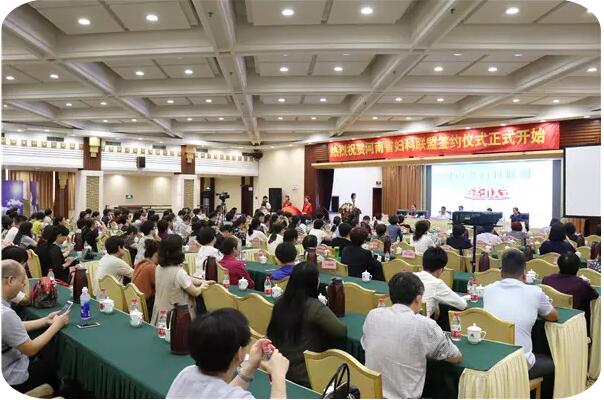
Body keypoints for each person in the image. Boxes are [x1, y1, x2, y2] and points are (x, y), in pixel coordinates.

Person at [362, 272, 462, 398]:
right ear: (418, 299)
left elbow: (365, 345)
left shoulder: (373, 315)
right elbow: (456, 357)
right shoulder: (424, 324)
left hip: (371, 395)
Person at [167, 308, 290, 399]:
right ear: (239, 354)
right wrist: (278, 375)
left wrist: (251, 366)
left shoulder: (186, 374)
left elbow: (223, 393)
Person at [483, 250, 558, 397]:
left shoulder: (488, 290)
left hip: (491, 360)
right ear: (524, 272)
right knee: (553, 363)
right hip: (519, 365)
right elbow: (553, 316)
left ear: (501, 272)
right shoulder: (535, 292)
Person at [267, 262, 346, 386]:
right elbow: (341, 331)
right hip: (304, 375)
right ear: (313, 282)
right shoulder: (314, 307)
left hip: (277, 368)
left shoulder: (280, 302)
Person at [2, 259, 70, 393]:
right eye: (22, 282)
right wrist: (57, 325)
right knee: (53, 367)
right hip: (11, 378)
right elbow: (31, 349)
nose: (22, 287)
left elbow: (12, 328)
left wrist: (45, 321)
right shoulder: (5, 314)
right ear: (10, 281)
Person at [151, 235, 212, 325]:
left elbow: (185, 278)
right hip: (176, 317)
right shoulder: (179, 272)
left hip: (160, 313)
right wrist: (203, 286)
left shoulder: (159, 267)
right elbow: (195, 292)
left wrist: (200, 281)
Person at [542, 253, 599, 323]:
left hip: (550, 317)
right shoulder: (581, 284)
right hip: (574, 321)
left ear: (558, 265)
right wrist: (587, 284)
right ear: (578, 267)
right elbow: (595, 296)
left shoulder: (546, 279)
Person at [414, 247, 466, 317]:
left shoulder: (411, 276)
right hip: (421, 322)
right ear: (441, 269)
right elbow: (462, 305)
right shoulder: (437, 284)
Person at [132, 239, 159, 313]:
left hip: (136, 303)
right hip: (145, 306)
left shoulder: (140, 263)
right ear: (157, 254)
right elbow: (161, 287)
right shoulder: (151, 267)